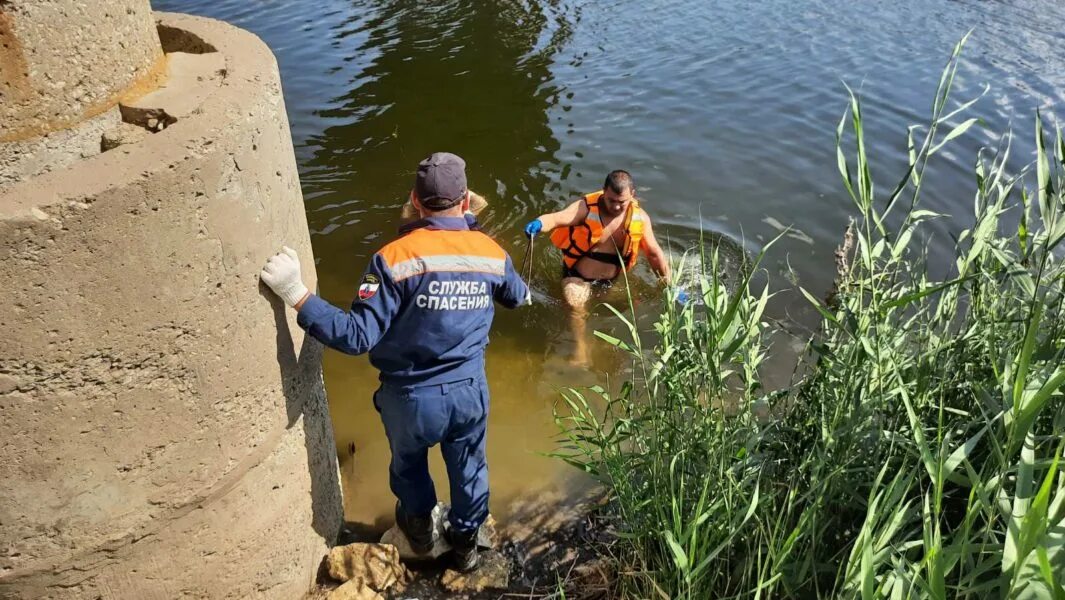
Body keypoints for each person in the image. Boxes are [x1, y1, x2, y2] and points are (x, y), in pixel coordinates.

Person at [260, 152, 530, 572]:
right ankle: (465, 548)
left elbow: (356, 337)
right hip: (469, 392)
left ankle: (419, 532)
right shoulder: (491, 253)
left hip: (410, 396)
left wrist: (298, 295)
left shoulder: (393, 259)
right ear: (465, 202)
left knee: (409, 466)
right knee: (469, 466)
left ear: (415, 201)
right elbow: (517, 296)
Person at [523, 170, 671, 365]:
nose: (617, 206)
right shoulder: (585, 208)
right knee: (576, 306)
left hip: (611, 281)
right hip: (577, 277)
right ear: (603, 192)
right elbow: (558, 218)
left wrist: (668, 283)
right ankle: (581, 350)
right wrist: (540, 223)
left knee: (624, 308)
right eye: (611, 200)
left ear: (632, 195)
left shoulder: (640, 219)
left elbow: (653, 253)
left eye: (622, 202)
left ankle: (603, 347)